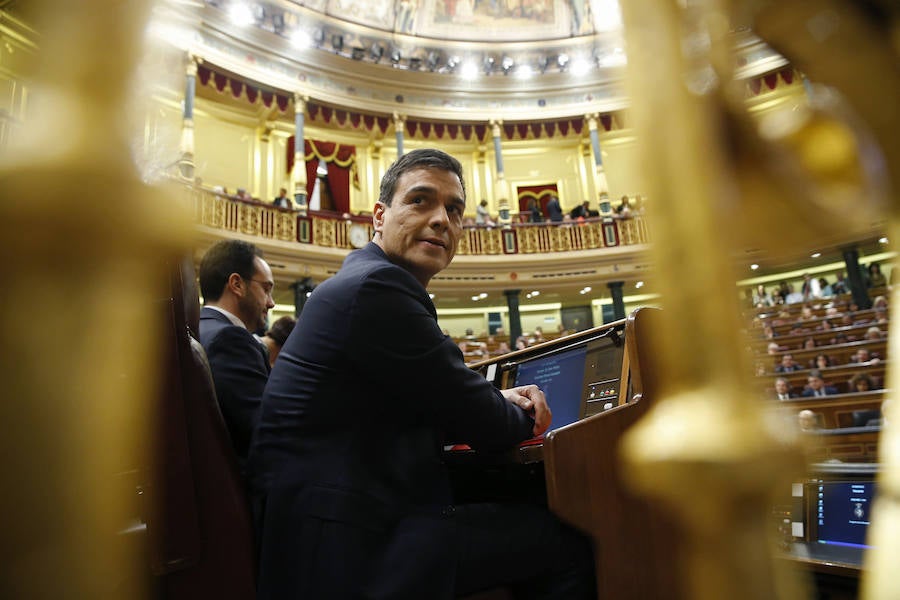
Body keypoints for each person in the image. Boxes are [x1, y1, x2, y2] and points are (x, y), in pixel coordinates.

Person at [248, 149, 595, 600]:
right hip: (349, 546)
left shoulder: (362, 282)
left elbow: (425, 399)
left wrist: (491, 402)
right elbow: (488, 424)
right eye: (420, 201)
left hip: (324, 524)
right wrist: (525, 410)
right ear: (379, 215)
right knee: (567, 537)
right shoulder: (378, 288)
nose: (441, 219)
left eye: (454, 209)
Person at [198, 239, 275, 474]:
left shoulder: (200, 328)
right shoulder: (231, 340)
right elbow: (266, 436)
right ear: (237, 284)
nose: (271, 303)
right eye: (266, 289)